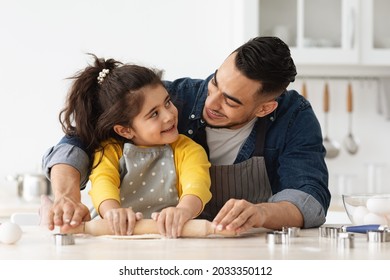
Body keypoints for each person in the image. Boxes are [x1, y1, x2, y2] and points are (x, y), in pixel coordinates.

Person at [42, 36, 331, 234]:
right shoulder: (172, 97)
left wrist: (262, 214)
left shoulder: (293, 117)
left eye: (230, 101)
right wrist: (66, 197)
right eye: (215, 82)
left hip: (246, 250)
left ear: (265, 108)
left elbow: (310, 198)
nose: (211, 102)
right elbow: (81, 137)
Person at [43, 54, 212, 238]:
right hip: (116, 236)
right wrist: (112, 212)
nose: (169, 115)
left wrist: (184, 211)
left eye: (167, 102)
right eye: (154, 114)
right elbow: (103, 182)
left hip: (169, 237)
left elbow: (197, 185)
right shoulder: (110, 151)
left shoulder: (189, 150)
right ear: (125, 130)